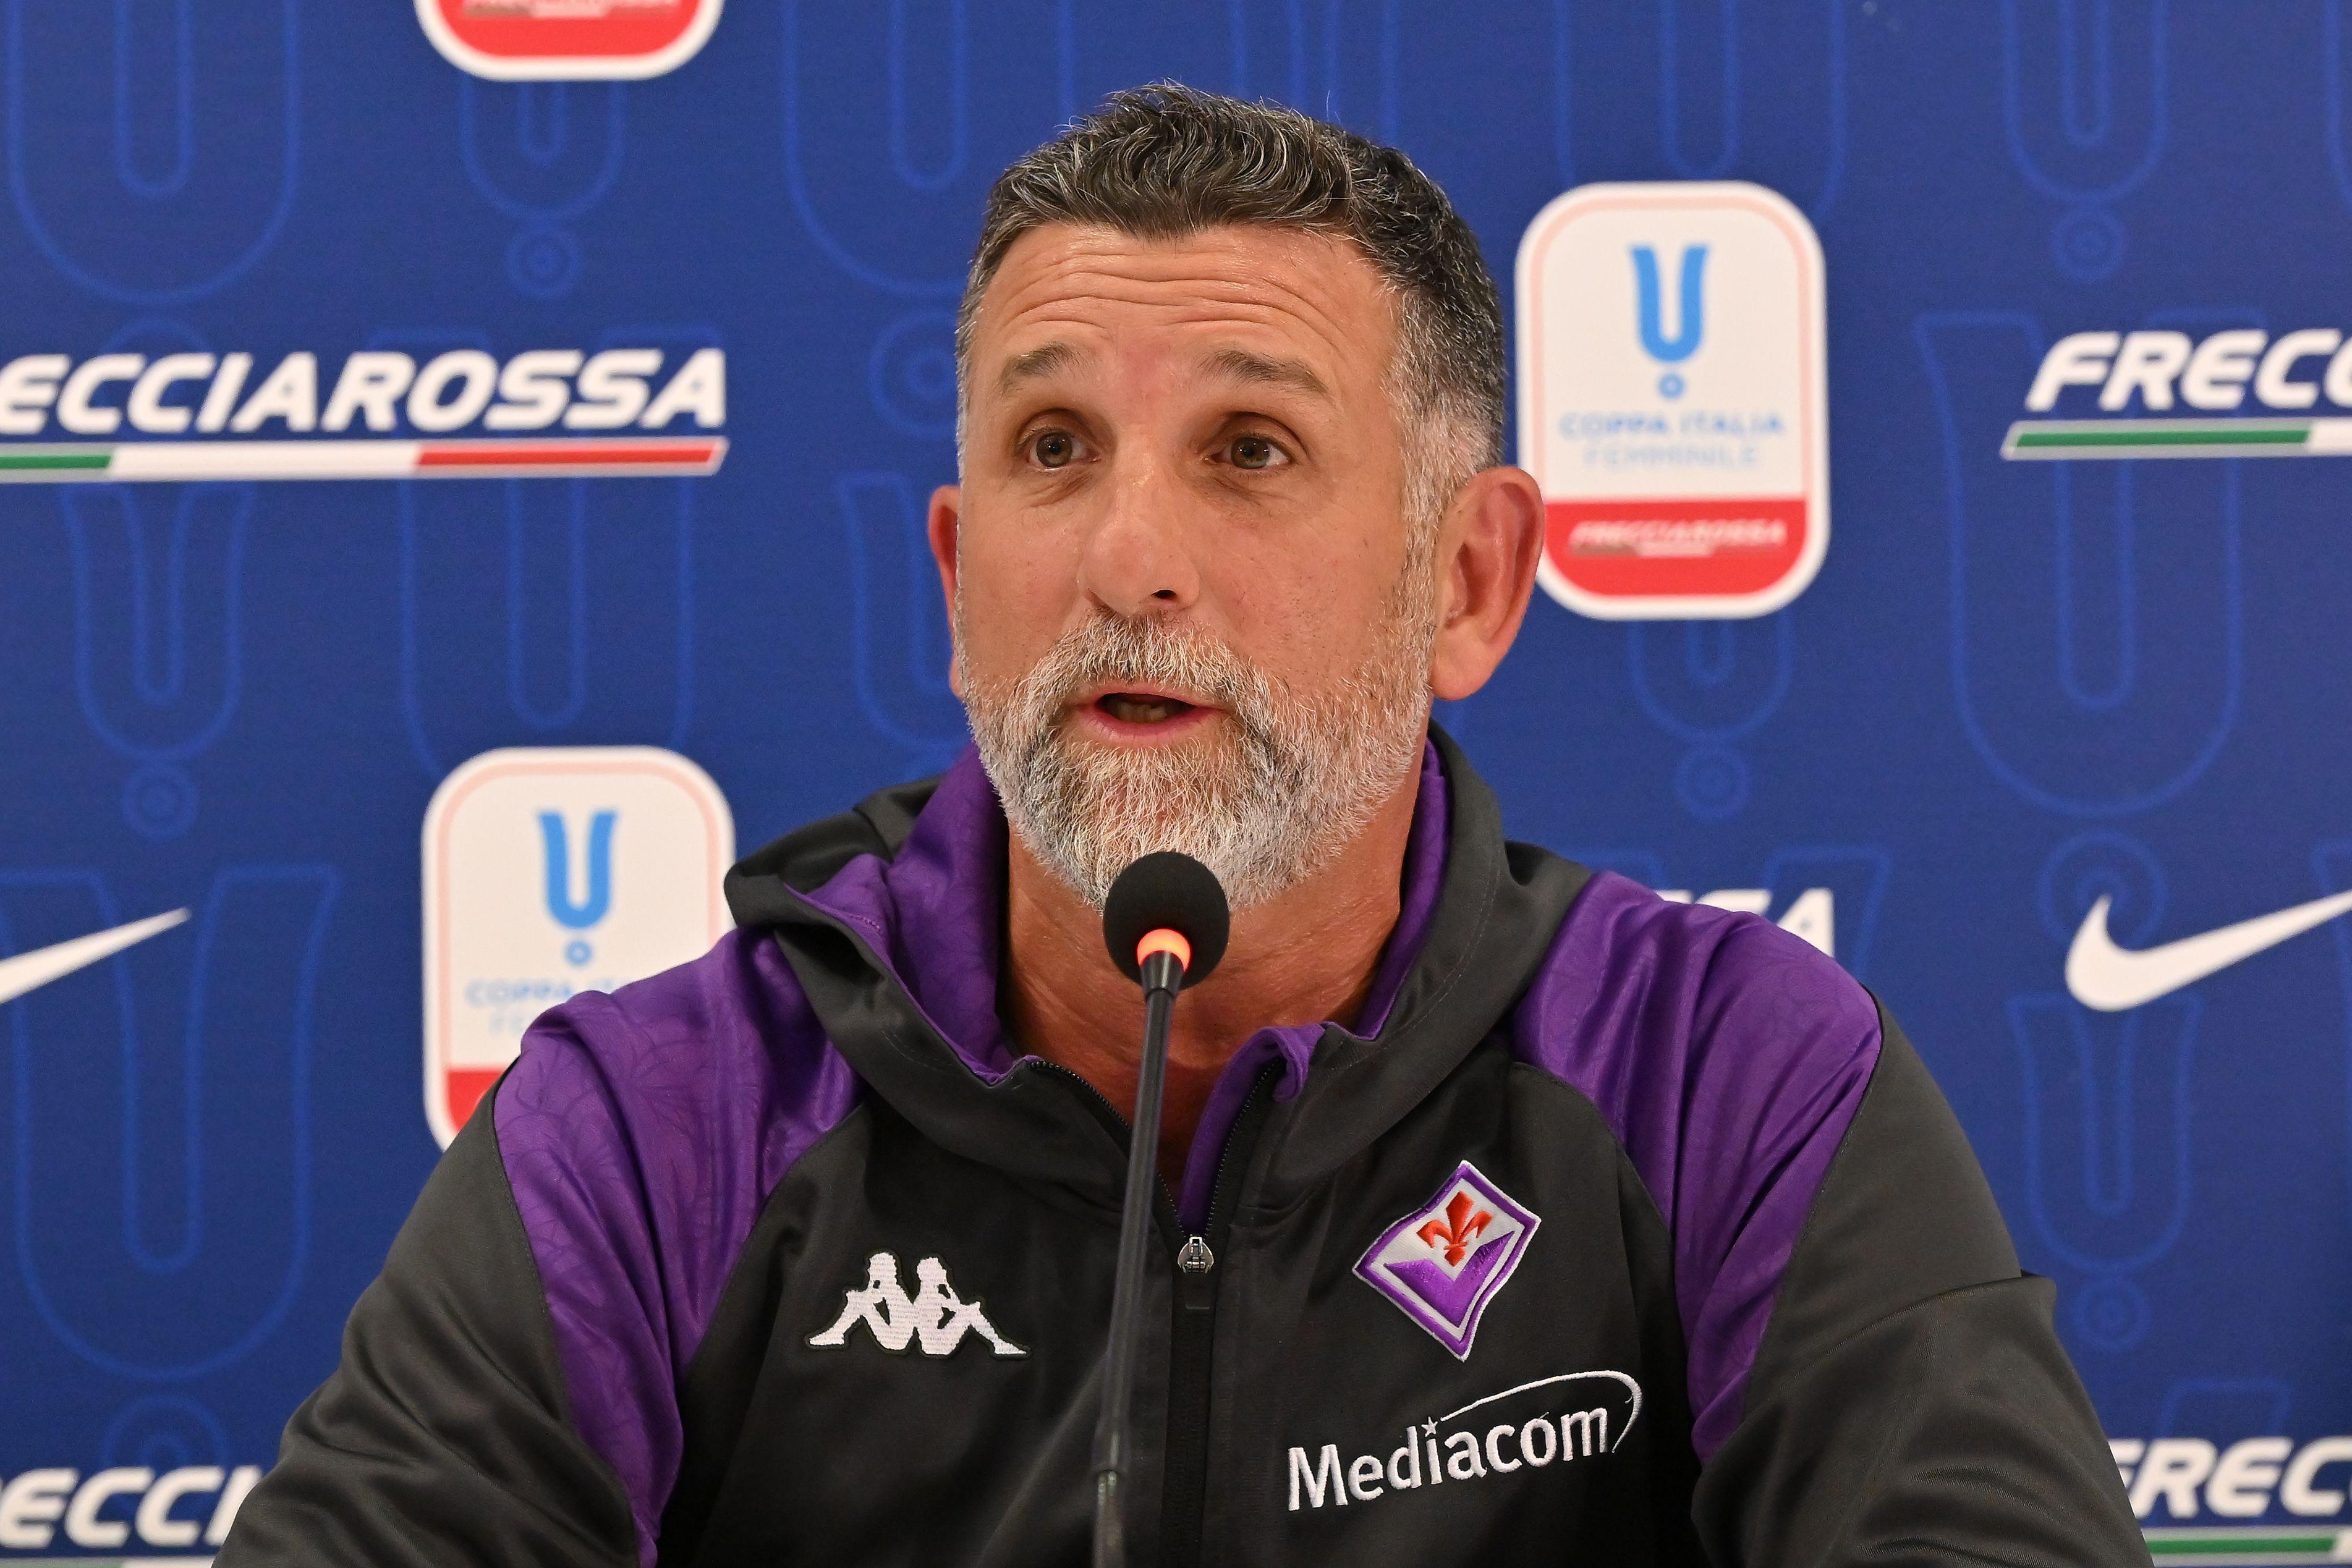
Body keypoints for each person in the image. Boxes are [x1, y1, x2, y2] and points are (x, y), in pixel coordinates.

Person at [219, 84, 2147, 1566]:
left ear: (1466, 582)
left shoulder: (1724, 1073)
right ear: (963, 580)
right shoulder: (661, 1126)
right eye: (1055, 450)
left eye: (1250, 450)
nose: (1129, 556)